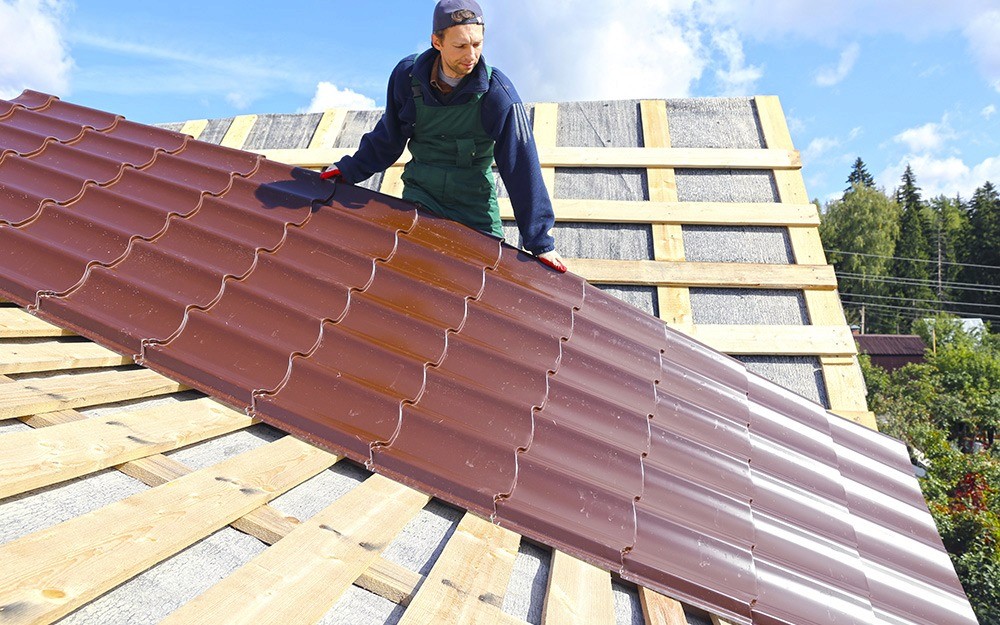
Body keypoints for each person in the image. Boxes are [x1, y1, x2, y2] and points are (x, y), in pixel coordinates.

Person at [322, 0, 566, 272]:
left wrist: (540, 242)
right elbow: (388, 138)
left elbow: (520, 165)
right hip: (421, 195)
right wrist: (349, 169)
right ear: (436, 42)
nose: (471, 55)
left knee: (485, 283)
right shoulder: (408, 77)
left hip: (474, 207)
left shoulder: (497, 94)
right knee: (411, 275)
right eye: (460, 46)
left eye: (477, 44)